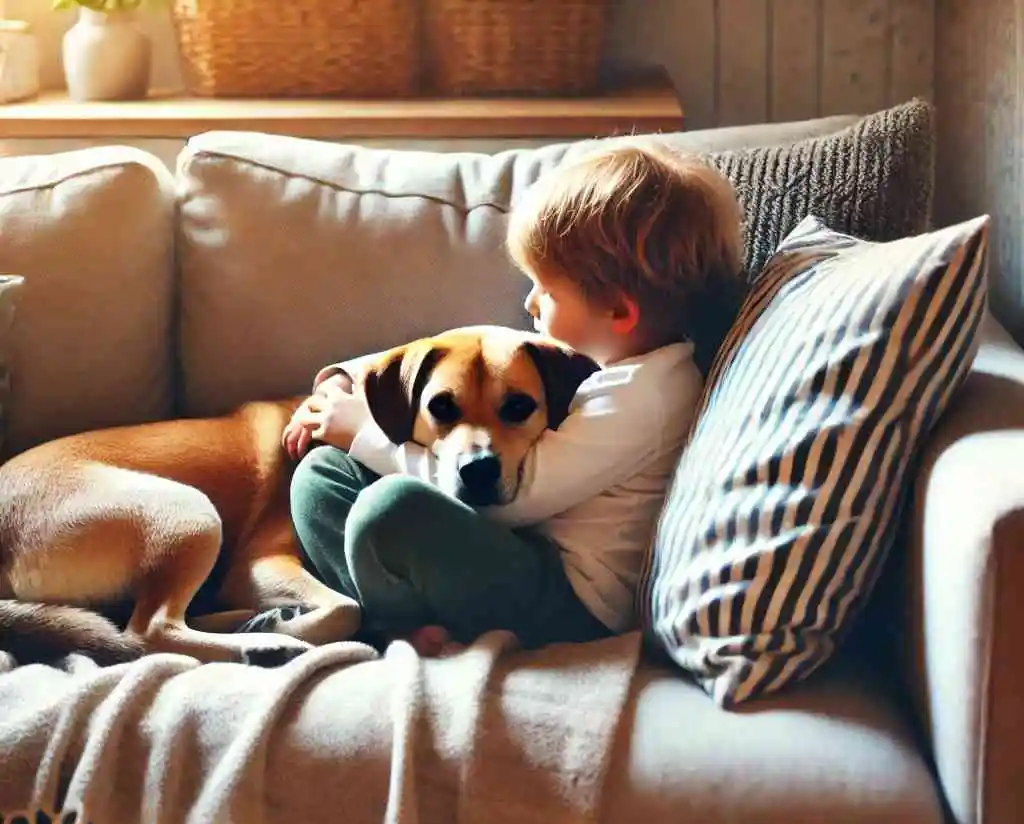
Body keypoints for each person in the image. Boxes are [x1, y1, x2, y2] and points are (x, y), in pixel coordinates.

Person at [273, 140, 746, 655]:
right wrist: (344, 381)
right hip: (513, 551)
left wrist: (365, 436)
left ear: (618, 311)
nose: (528, 302)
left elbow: (511, 500)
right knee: (322, 474)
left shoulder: (647, 396)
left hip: (566, 603)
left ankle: (392, 626)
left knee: (392, 507)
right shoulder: (605, 356)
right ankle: (395, 609)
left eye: (545, 290)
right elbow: (454, 360)